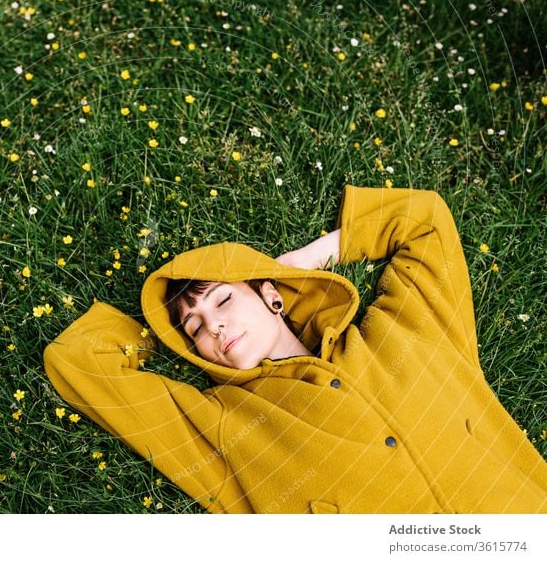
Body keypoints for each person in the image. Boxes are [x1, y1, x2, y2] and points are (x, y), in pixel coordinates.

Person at [44, 185, 547, 513]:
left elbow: (424, 220)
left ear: (272, 296)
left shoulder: (405, 333)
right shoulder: (219, 424)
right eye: (195, 327)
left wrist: (303, 260)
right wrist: (162, 331)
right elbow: (76, 361)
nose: (214, 325)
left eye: (222, 299)